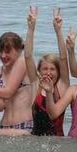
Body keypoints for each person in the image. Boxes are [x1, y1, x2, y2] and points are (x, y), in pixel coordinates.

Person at [25, 7, 71, 136]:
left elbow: (63, 57)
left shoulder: (62, 86)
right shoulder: (36, 85)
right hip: (36, 141)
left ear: (58, 71)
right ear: (39, 71)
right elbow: (28, 56)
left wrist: (58, 31)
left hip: (58, 141)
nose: (48, 72)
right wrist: (31, 28)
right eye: (45, 69)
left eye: (52, 69)